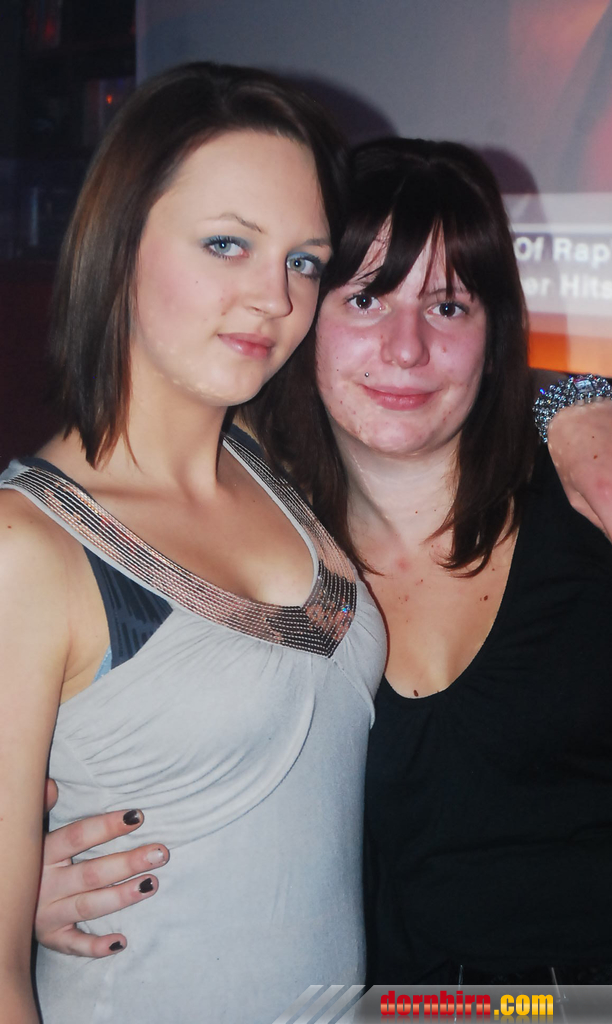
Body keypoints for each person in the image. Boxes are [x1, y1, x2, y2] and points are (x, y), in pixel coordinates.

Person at [33, 135, 612, 991]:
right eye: (366, 299)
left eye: (448, 307)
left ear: (494, 334)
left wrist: (573, 393)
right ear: (303, 319)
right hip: (416, 1007)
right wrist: (27, 880)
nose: (406, 349)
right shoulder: (257, 552)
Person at [0, 62, 388, 1024]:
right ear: (119, 243)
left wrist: (572, 405)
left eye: (303, 261)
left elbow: (459, 414)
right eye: (227, 244)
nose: (275, 299)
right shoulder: (26, 550)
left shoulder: (278, 464)